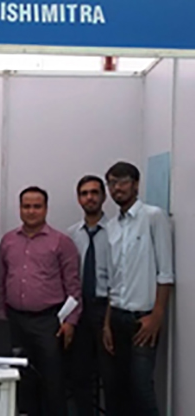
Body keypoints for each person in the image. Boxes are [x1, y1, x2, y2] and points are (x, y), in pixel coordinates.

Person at [0, 186, 82, 416]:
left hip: (48, 323)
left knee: (53, 383)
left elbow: (73, 287)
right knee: (21, 382)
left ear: (46, 209)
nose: (31, 211)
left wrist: (71, 322)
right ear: (19, 208)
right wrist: (1, 318)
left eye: (37, 206)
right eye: (26, 206)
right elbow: (0, 282)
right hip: (14, 321)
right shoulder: (8, 241)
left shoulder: (61, 242)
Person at [103, 161, 174, 416]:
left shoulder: (154, 217)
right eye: (112, 183)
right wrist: (107, 324)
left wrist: (157, 316)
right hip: (117, 316)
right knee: (117, 390)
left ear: (136, 184)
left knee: (142, 390)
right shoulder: (111, 227)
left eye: (122, 182)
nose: (117, 188)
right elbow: (113, 281)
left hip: (142, 319)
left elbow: (165, 273)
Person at [67, 175, 115, 416]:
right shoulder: (71, 235)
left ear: (103, 196)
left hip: (107, 307)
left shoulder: (116, 231)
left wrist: (108, 319)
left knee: (111, 374)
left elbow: (121, 276)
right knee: (80, 374)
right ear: (78, 199)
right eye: (84, 193)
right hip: (79, 309)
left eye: (94, 192)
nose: (90, 198)